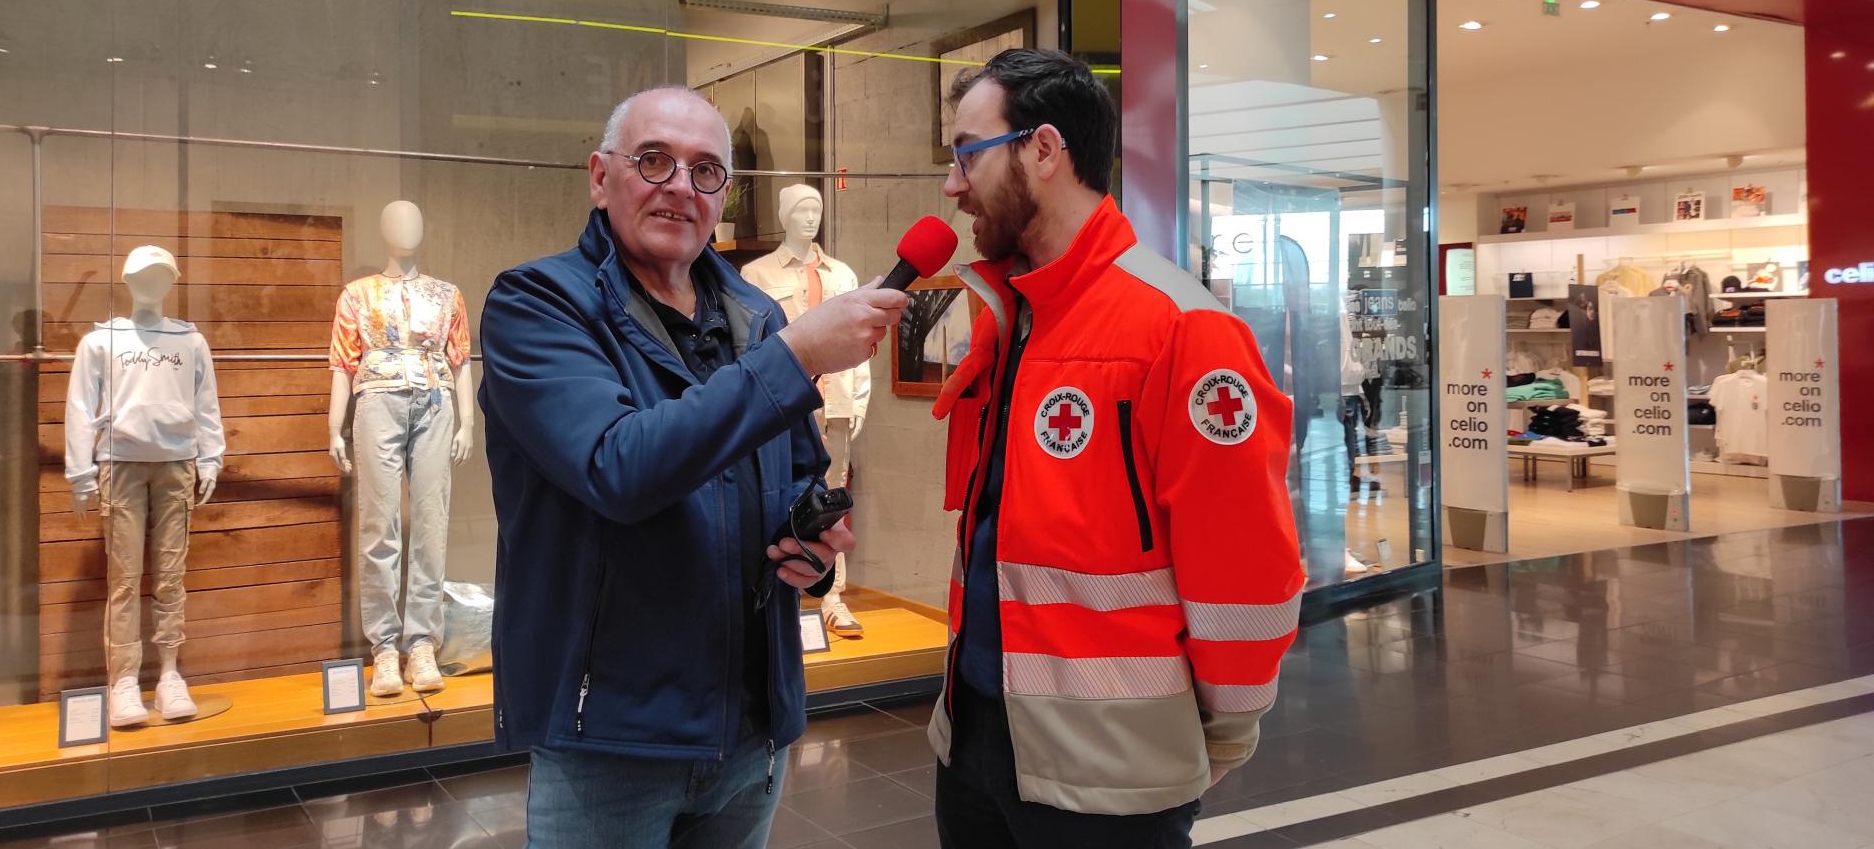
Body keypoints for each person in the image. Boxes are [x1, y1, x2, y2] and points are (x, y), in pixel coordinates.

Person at [478, 87, 906, 849]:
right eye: (655, 161)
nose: (681, 185)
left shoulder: (754, 317)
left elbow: (800, 473)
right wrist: (800, 353)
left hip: (751, 729)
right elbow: (620, 464)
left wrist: (811, 540)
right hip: (611, 739)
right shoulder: (537, 304)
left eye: (706, 171)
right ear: (600, 176)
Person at [927, 49, 1303, 847]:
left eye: (966, 153)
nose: (953, 185)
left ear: (1044, 149)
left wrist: (1231, 725)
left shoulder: (1181, 329)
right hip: (975, 739)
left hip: (1112, 773)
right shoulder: (1013, 313)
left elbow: (1245, 558)